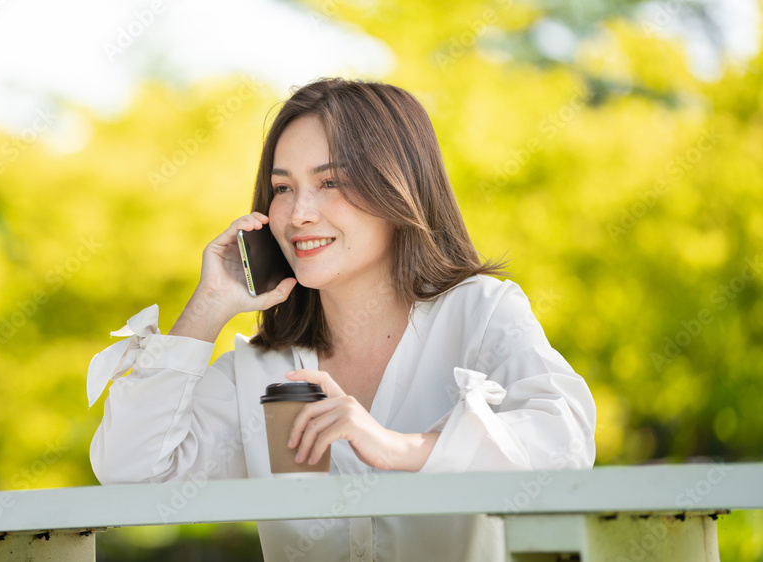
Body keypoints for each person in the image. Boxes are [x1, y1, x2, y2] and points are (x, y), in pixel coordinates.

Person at [86, 77, 597, 561]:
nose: (299, 213)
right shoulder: (261, 368)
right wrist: (209, 305)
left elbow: (565, 444)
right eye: (282, 188)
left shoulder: (480, 312)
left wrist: (400, 448)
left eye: (330, 182)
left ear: (398, 189)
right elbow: (134, 473)